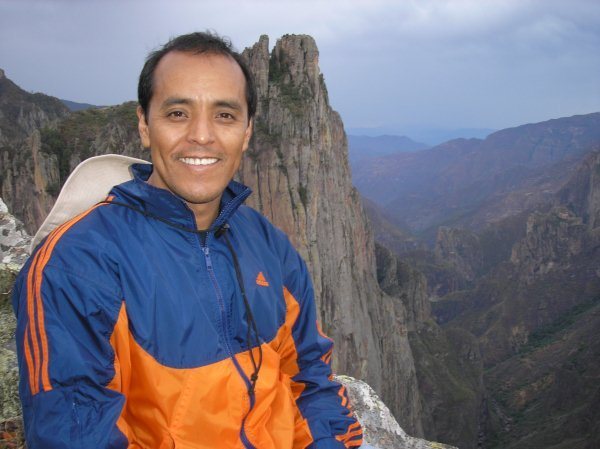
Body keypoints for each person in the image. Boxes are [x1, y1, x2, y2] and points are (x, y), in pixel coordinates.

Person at [12, 31, 363, 448]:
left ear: (248, 131)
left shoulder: (271, 246)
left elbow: (312, 380)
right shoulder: (76, 265)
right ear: (144, 124)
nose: (202, 135)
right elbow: (71, 433)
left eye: (225, 115)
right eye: (178, 113)